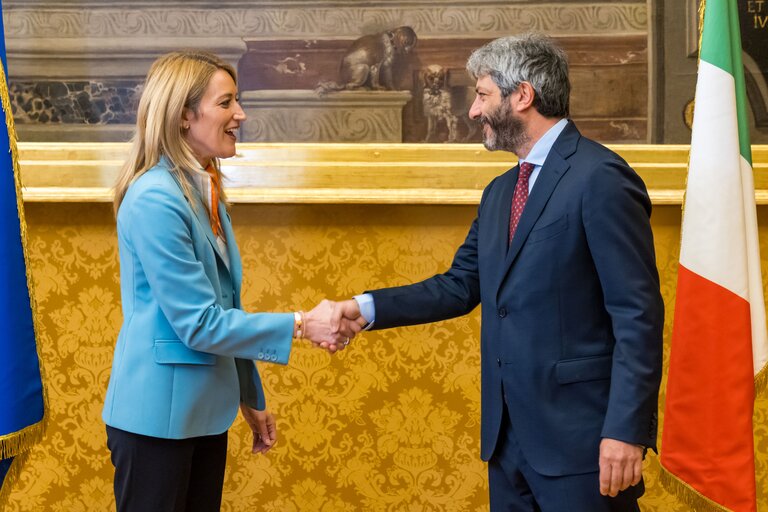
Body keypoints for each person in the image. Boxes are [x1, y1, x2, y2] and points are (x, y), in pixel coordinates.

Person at [330, 34, 664, 511]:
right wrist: (363, 309)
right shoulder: (499, 192)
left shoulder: (600, 178)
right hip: (507, 446)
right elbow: (459, 285)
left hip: (584, 446)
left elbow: (637, 316)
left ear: (522, 96)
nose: (472, 111)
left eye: (482, 94)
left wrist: (626, 431)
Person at [102, 50, 358, 512]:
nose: (240, 114)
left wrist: (248, 394)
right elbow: (200, 324)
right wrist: (302, 324)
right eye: (226, 103)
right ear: (183, 115)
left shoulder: (203, 190)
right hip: (156, 419)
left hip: (201, 415)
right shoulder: (156, 199)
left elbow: (226, 305)